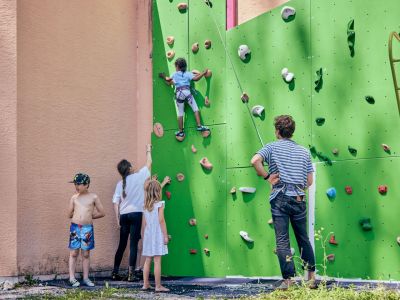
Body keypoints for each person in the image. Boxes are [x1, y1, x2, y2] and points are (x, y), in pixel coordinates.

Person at [251, 115, 316, 290]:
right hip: (299, 199)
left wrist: (267, 177)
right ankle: (311, 279)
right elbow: (309, 181)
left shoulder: (271, 147)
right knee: (303, 239)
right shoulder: (304, 151)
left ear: (277, 131)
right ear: (292, 132)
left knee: (282, 241)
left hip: (280, 197)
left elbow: (255, 161)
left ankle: (289, 281)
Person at [112, 146, 171, 281]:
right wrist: (148, 150)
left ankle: (115, 272)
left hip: (123, 215)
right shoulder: (139, 177)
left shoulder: (119, 184)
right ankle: (131, 274)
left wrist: (117, 219)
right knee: (133, 244)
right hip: (136, 214)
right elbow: (149, 163)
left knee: (122, 244)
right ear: (130, 168)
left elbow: (115, 202)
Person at [67, 173, 105, 287]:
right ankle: (72, 277)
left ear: (87, 184)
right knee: (73, 253)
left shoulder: (93, 197)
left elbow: (102, 212)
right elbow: (69, 214)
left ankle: (86, 278)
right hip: (75, 227)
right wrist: (77, 216)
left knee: (86, 254)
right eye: (75, 184)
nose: (76, 186)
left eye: (79, 184)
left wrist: (89, 216)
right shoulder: (74, 197)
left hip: (87, 228)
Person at [159, 57, 210, 138]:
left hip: (179, 93)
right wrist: (203, 73)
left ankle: (180, 131)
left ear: (177, 67)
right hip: (187, 92)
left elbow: (168, 79)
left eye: (175, 66)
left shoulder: (175, 74)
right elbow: (196, 79)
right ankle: (199, 126)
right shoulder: (188, 73)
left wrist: (163, 76)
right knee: (195, 109)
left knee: (180, 113)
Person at [141, 179, 169, 292]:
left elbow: (144, 224)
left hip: (148, 234)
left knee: (147, 260)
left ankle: (145, 284)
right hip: (157, 234)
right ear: (158, 192)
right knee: (157, 261)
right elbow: (161, 220)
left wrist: (144, 236)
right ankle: (158, 286)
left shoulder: (145, 205)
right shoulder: (160, 204)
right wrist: (165, 235)